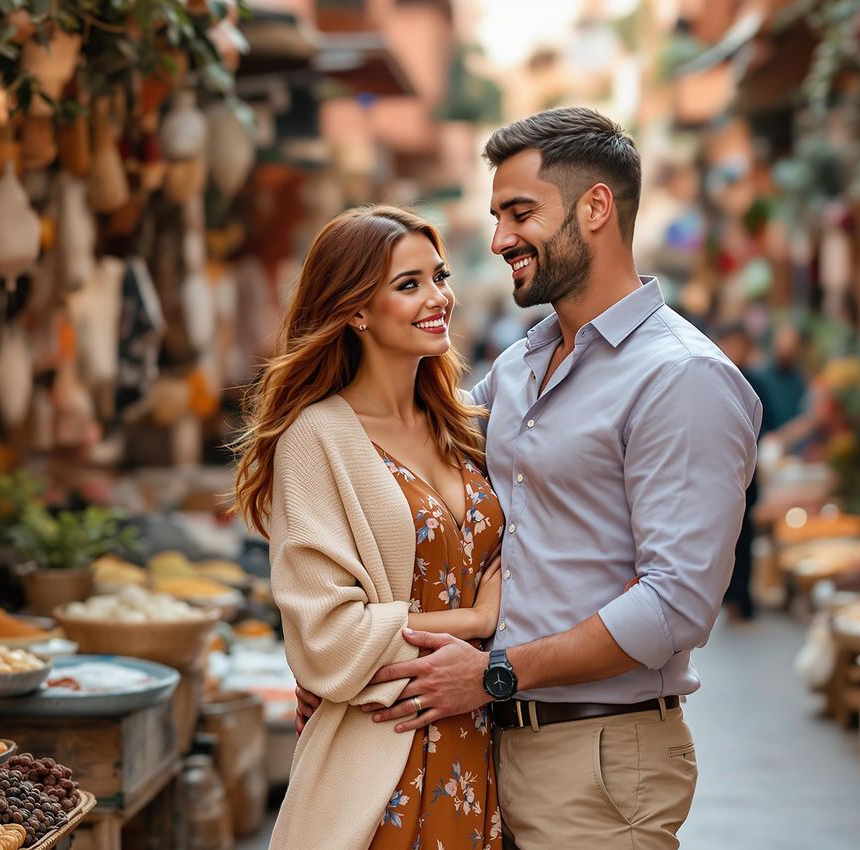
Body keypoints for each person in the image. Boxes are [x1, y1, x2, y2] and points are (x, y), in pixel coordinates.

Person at [299, 108, 763, 849]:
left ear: (596, 208)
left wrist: (496, 672)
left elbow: (675, 605)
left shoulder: (682, 377)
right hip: (484, 751)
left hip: (600, 757)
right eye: (495, 215)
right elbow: (417, 479)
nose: (499, 239)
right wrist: (349, 663)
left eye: (520, 213)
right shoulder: (520, 366)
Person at [234, 206, 505, 850]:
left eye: (438, 277)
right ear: (357, 309)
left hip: (483, 755)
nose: (439, 298)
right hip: (381, 766)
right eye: (408, 285)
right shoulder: (316, 437)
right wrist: (475, 622)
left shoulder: (463, 428)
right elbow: (328, 638)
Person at [714, 323, 767, 621]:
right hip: (719, 471)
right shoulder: (713, 374)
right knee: (723, 535)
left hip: (747, 472)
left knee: (744, 538)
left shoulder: (754, 380)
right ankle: (725, 596)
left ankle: (742, 600)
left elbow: (763, 426)